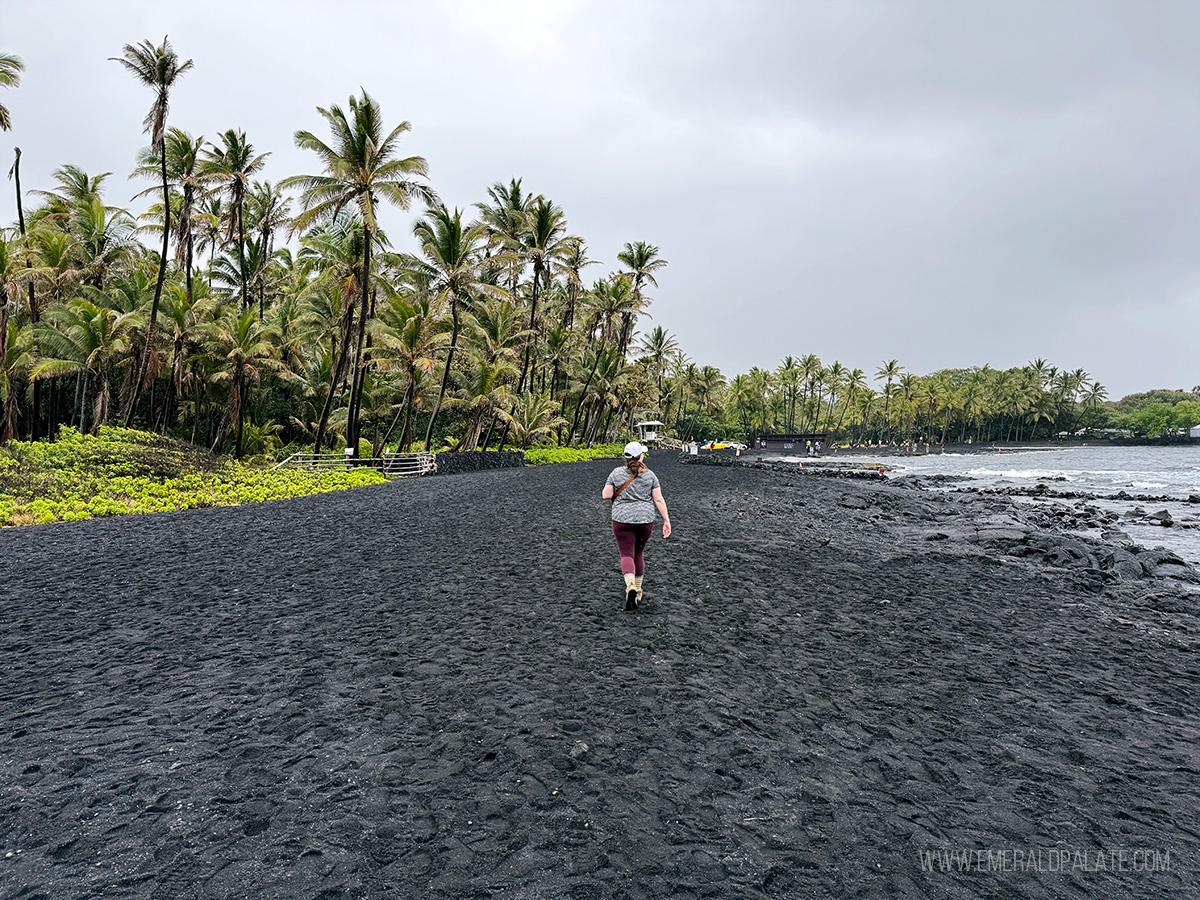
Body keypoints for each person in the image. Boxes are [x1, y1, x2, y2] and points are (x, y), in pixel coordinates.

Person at [602, 440, 672, 610]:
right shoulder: (650, 475)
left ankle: (630, 585)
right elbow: (659, 499)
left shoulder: (616, 473)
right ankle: (638, 590)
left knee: (626, 554)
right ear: (641, 456)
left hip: (621, 520)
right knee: (638, 553)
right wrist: (666, 520)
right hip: (645, 520)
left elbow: (606, 495)